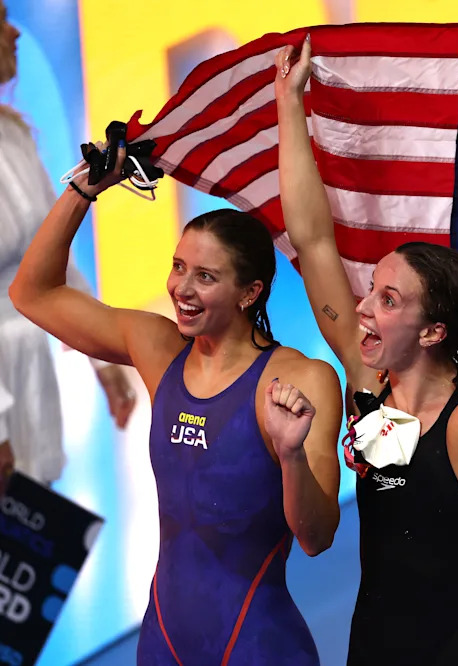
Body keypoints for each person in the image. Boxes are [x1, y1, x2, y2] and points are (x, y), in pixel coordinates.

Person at [275, 36, 458, 665]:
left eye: (389, 300)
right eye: (371, 292)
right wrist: (289, 107)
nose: (365, 309)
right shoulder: (370, 383)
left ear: (434, 332)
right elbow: (314, 241)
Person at [9, 140, 343, 661]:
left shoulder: (300, 378)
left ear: (249, 293)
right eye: (178, 266)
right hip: (163, 640)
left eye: (205, 277)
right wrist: (84, 190)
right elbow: (32, 292)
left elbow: (317, 536)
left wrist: (292, 455)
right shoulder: (159, 348)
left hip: (256, 645)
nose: (180, 288)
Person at [0, 1, 136, 489]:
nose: (14, 34)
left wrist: (102, 357)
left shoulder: (14, 135)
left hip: (31, 373)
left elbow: (51, 256)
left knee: (28, 535)